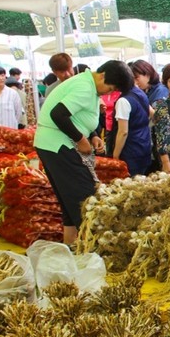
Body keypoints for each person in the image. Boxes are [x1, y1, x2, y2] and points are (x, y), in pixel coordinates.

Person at [35, 60, 133, 244]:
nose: (109, 93)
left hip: (52, 144)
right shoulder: (85, 87)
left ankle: (70, 245)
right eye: (110, 88)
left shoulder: (89, 84)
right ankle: (92, 248)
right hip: (58, 145)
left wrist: (93, 135)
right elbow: (58, 114)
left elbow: (78, 114)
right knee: (85, 199)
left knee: (70, 200)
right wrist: (81, 139)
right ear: (102, 75)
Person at [109, 81, 152, 177]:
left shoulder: (123, 101)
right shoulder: (140, 93)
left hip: (130, 150)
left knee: (130, 186)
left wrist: (115, 156)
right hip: (144, 145)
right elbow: (152, 113)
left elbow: (123, 132)